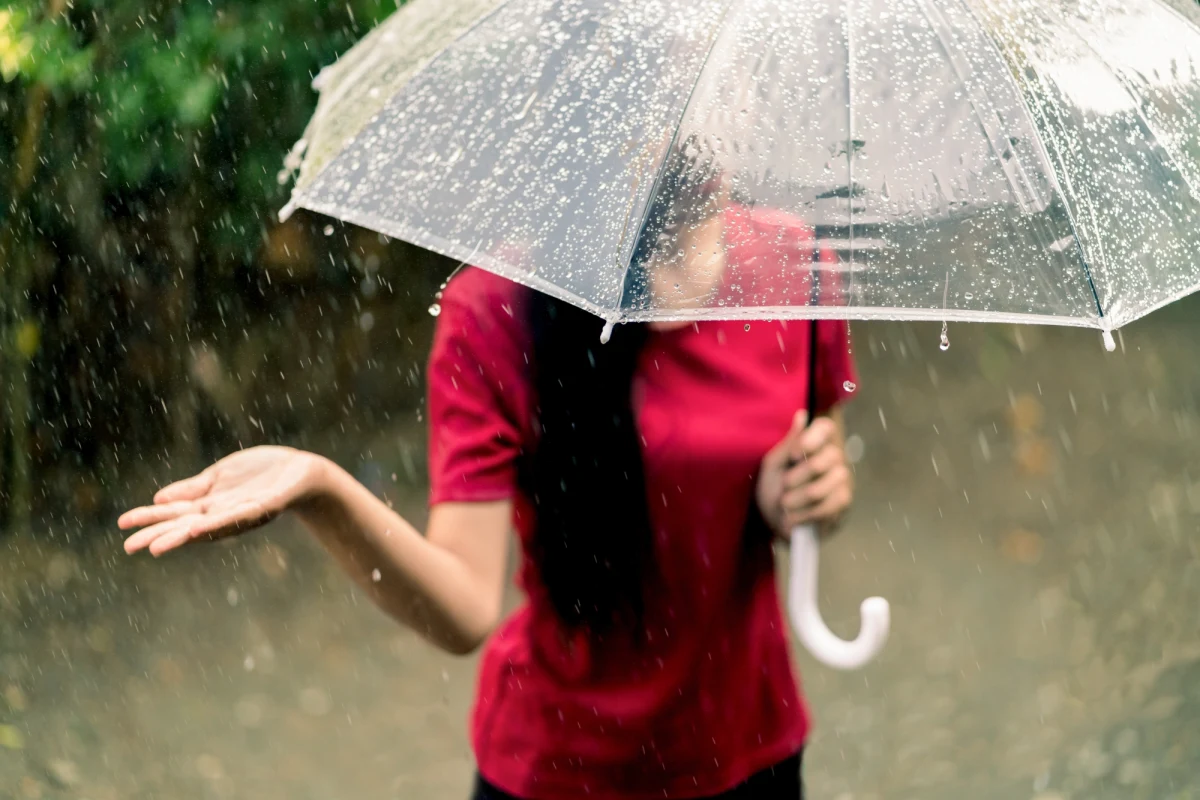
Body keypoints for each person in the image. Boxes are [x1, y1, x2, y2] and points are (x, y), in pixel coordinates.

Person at [119, 146, 858, 800]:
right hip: (562, 770)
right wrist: (322, 488)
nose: (711, 123)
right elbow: (465, 607)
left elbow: (812, 449)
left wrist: (800, 497)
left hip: (749, 751)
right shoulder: (497, 308)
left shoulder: (797, 264)